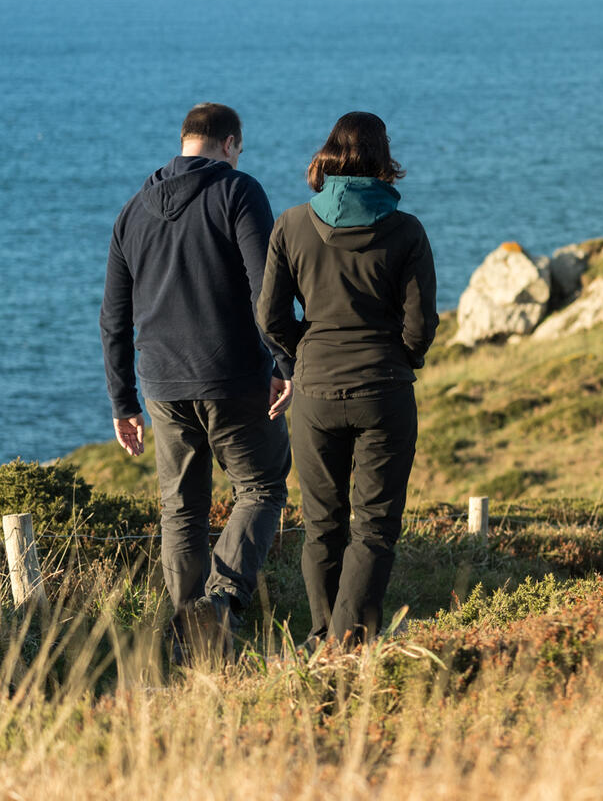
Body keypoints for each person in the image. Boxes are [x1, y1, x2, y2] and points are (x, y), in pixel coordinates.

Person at [100, 102, 292, 659]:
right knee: (260, 487)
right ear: (230, 143)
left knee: (180, 508)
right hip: (232, 376)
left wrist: (122, 401)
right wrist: (285, 363)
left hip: (160, 383)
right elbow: (267, 290)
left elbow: (114, 316)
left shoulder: (132, 211)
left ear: (185, 141)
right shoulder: (238, 191)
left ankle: (192, 639)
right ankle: (219, 603)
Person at [257, 112, 437, 646]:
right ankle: (347, 644)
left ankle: (322, 638)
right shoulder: (406, 230)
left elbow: (269, 317)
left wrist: (304, 355)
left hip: (313, 391)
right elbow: (420, 323)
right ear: (384, 161)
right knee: (374, 526)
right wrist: (401, 359)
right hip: (383, 391)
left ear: (328, 156)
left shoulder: (290, 224)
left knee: (322, 524)